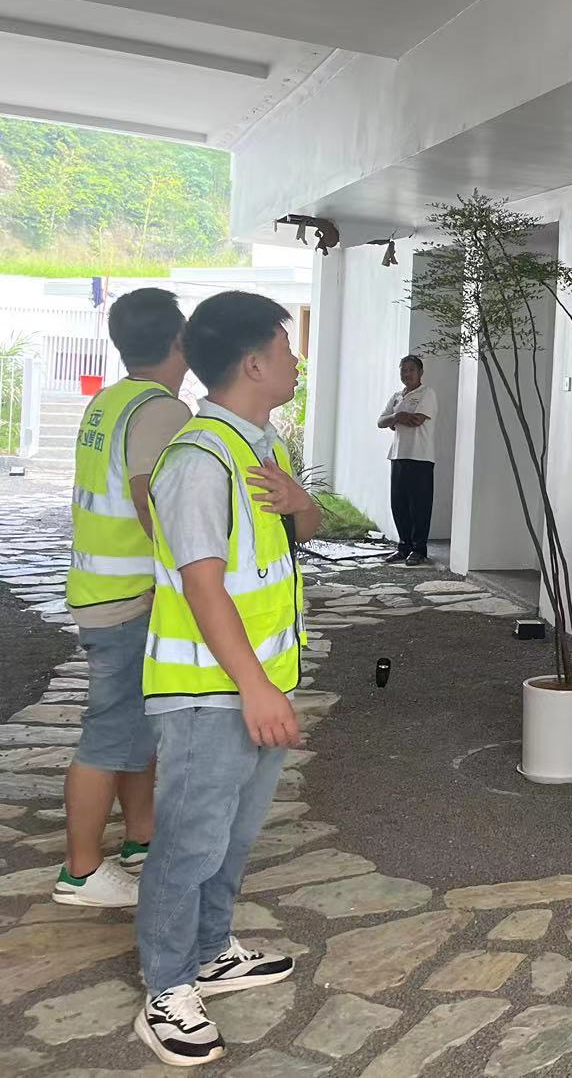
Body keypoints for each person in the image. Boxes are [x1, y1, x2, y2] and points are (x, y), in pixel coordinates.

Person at [133, 291, 320, 1068]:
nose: (295, 360)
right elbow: (203, 586)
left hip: (256, 684)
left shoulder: (260, 449)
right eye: (284, 348)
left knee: (232, 839)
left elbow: (302, 531)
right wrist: (256, 688)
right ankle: (167, 986)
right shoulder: (199, 460)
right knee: (189, 843)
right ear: (252, 364)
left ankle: (211, 952)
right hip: (212, 693)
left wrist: (302, 502)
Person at [55, 288, 191, 908]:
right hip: (131, 597)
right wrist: (192, 574)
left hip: (103, 590)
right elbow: (149, 498)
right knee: (109, 733)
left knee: (137, 723)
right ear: (179, 340)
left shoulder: (110, 401)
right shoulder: (161, 411)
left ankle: (141, 838)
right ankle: (81, 871)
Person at [377, 354, 438, 565]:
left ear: (420, 373)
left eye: (411, 370)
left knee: (419, 505)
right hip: (398, 455)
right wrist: (396, 417)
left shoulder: (427, 393)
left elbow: (417, 420)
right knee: (399, 504)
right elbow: (381, 421)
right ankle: (404, 547)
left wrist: (395, 420)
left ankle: (418, 549)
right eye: (403, 370)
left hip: (420, 456)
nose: (407, 374)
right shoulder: (397, 396)